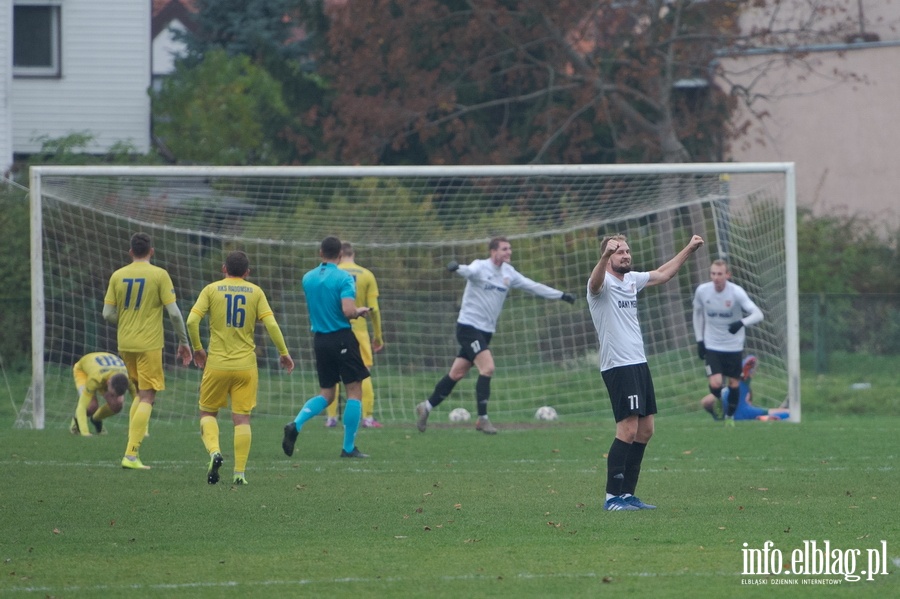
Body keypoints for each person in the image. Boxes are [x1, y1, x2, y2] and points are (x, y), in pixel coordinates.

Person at [587, 233, 704, 511]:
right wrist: (604, 257)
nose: (625, 255)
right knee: (627, 429)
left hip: (638, 362)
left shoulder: (631, 280)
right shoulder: (601, 285)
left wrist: (688, 248)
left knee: (645, 430)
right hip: (618, 365)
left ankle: (627, 495)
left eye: (627, 251)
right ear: (607, 257)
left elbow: (663, 274)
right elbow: (594, 282)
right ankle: (612, 498)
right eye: (618, 252)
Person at [415, 236, 576, 434]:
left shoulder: (509, 273)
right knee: (488, 367)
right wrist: (456, 268)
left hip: (485, 331)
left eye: (509, 249)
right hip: (468, 327)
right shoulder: (480, 267)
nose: (509, 252)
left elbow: (532, 286)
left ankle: (427, 407)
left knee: (456, 373)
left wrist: (561, 295)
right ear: (493, 251)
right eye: (504, 249)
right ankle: (483, 419)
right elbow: (468, 271)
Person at [186, 251, 295, 485]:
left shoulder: (211, 289)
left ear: (223, 268)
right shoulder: (255, 292)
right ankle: (239, 474)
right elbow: (271, 324)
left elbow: (191, 321)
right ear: (247, 272)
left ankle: (215, 452)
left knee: (207, 413)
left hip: (217, 364)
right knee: (242, 419)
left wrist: (197, 348)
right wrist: (284, 353)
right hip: (246, 365)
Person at [103, 232, 192, 470]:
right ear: (151, 251)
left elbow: (107, 314)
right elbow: (173, 313)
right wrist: (184, 342)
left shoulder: (117, 275)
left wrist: (127, 321)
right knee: (148, 396)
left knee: (139, 393)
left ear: (131, 252)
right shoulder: (159, 275)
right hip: (149, 344)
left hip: (125, 343)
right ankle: (131, 455)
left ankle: (134, 442)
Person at [282, 236, 372, 459]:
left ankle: (296, 423)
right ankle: (348, 448)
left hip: (320, 340)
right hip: (341, 337)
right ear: (340, 255)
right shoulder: (344, 278)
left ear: (320, 253)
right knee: (354, 390)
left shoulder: (307, 278)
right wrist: (358, 311)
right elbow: (347, 310)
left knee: (327, 394)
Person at [693, 259, 764, 426]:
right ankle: (718, 400)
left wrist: (741, 323)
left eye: (720, 274)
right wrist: (700, 340)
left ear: (727, 275)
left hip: (733, 346)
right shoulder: (703, 291)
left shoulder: (736, 292)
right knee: (715, 383)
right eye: (713, 274)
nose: (716, 277)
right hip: (712, 344)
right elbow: (696, 314)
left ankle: (730, 417)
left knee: (733, 384)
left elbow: (758, 314)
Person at [324, 242, 385, 429]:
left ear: (340, 254)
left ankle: (331, 418)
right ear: (353, 254)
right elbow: (373, 310)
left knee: (332, 374)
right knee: (363, 373)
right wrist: (378, 336)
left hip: (334, 328)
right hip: (359, 330)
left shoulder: (331, 273)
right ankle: (367, 417)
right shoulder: (366, 275)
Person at [68, 352, 137, 437]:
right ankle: (76, 422)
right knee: (91, 406)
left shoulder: (130, 378)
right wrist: (85, 433)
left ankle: (96, 419)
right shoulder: (95, 379)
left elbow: (139, 402)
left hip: (105, 370)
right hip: (83, 371)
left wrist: (139, 430)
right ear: (108, 383)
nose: (113, 397)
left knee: (117, 403)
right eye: (112, 394)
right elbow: (82, 405)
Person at [701, 355, 790, 421]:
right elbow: (773, 412)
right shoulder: (748, 409)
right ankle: (765, 419)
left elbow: (705, 402)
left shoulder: (721, 411)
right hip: (735, 406)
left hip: (732, 408)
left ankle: (765, 419)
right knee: (786, 415)